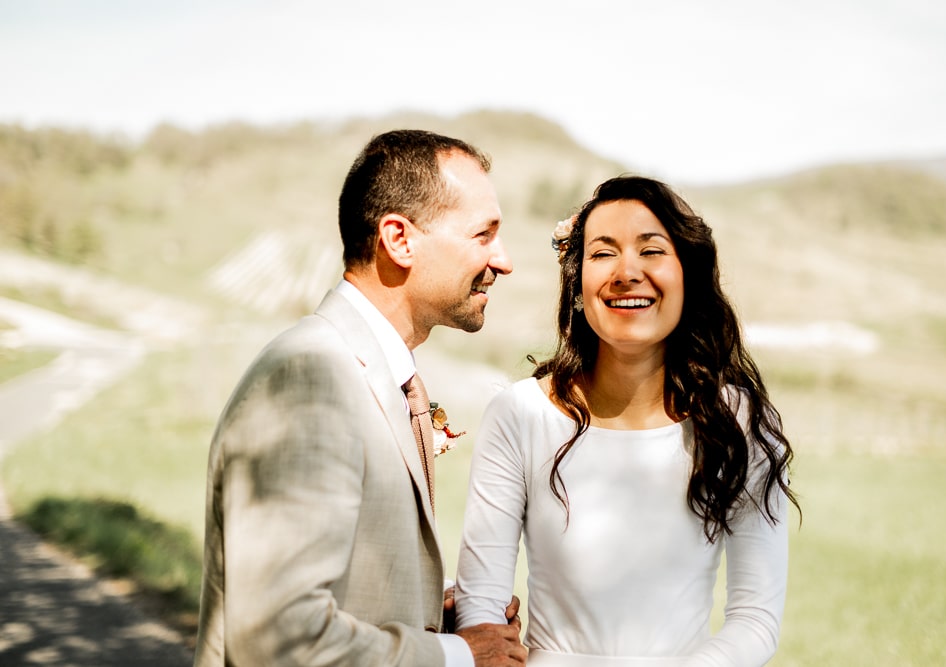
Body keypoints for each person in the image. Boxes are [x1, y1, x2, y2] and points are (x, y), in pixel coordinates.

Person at [194, 129, 527, 666]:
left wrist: (428, 611)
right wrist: (457, 657)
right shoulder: (310, 378)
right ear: (399, 239)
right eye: (483, 235)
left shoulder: (367, 372)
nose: (505, 261)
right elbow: (280, 638)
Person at [454, 176, 799, 666]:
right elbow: (481, 611)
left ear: (687, 276)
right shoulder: (519, 415)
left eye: (651, 250)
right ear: (577, 284)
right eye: (602, 253)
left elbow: (756, 618)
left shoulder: (739, 425)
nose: (627, 271)